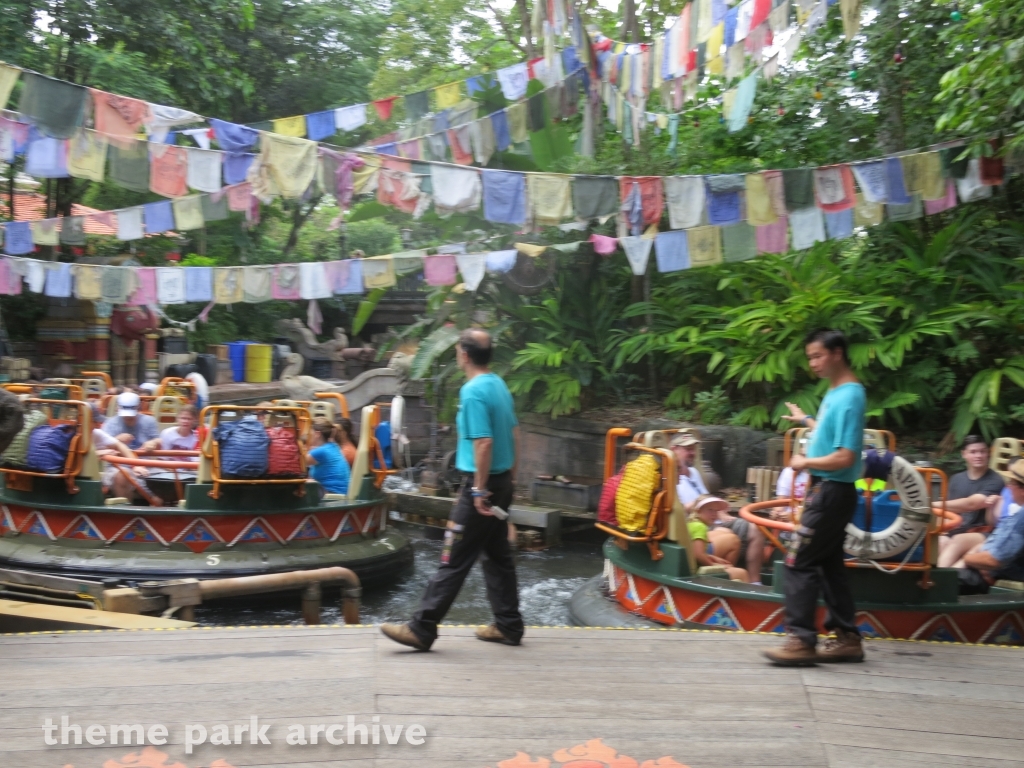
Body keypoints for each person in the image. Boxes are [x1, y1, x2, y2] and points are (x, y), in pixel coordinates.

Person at [381, 329, 524, 651]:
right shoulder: (498, 385)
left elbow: (484, 442)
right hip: (501, 482)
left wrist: (479, 490)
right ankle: (509, 625)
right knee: (498, 556)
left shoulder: (473, 391)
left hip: (482, 489)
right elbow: (515, 433)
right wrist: (511, 479)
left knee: (453, 557)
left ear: (464, 355)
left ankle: (421, 629)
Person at [765, 328, 866, 666]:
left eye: (818, 356)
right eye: (810, 357)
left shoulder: (850, 395)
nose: (813, 363)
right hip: (829, 491)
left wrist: (804, 462)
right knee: (829, 565)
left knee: (798, 560)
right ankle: (847, 638)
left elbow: (846, 456)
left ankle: (802, 641)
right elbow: (829, 434)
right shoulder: (836, 391)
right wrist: (806, 421)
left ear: (837, 353)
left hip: (831, 490)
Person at [670, 433, 766, 584]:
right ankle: (725, 578)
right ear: (674, 450)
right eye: (688, 449)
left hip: (709, 517)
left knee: (755, 528)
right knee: (731, 537)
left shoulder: (694, 472)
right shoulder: (671, 478)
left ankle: (754, 582)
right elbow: (680, 511)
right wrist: (701, 505)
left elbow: (706, 497)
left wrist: (718, 511)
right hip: (696, 521)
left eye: (693, 449)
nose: (692, 453)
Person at [954, 458, 1024, 589]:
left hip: (992, 577)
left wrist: (967, 558)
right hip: (988, 565)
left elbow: (993, 560)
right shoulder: (1019, 512)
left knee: (944, 582)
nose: (1008, 486)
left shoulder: (1021, 518)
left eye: (1012, 482)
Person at [936, 436, 1004, 567]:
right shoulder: (956, 479)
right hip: (957, 529)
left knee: (958, 540)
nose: (979, 456)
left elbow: (971, 504)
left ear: (988, 453)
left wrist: (932, 504)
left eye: (982, 451)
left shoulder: (995, 480)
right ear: (964, 454)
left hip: (983, 531)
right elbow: (949, 511)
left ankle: (941, 577)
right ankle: (936, 574)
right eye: (973, 452)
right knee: (940, 541)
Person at [688, 494, 749, 581]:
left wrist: (712, 558)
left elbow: (695, 551)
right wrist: (715, 566)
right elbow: (698, 555)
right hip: (697, 571)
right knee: (743, 573)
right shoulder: (699, 527)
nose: (714, 514)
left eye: (716, 511)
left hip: (694, 564)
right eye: (710, 510)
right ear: (698, 511)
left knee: (728, 564)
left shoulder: (692, 524)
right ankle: (725, 582)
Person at [304, 418, 351, 496]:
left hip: (331, 494)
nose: (307, 435)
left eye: (310, 432)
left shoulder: (321, 451)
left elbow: (297, 463)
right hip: (341, 493)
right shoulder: (333, 446)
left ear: (317, 434)